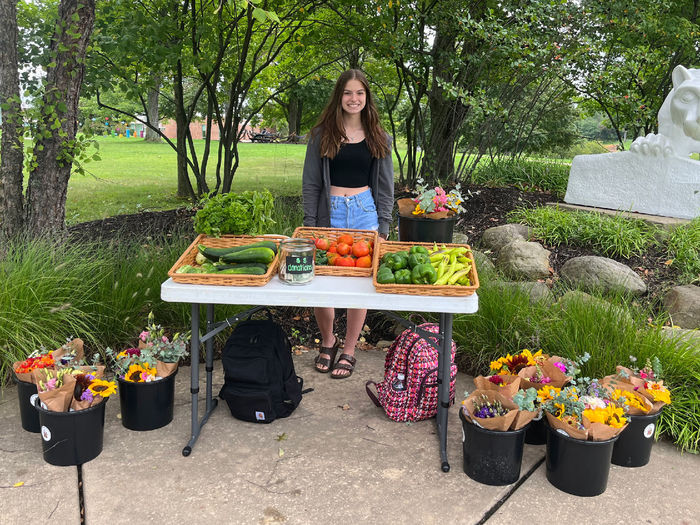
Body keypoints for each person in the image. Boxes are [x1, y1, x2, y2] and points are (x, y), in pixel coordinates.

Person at [302, 69, 394, 379]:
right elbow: (311, 184)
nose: (353, 99)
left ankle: (349, 349)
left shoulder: (379, 137)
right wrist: (310, 225)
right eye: (347, 93)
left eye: (359, 93)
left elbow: (385, 188)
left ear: (367, 98)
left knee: (359, 288)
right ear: (339, 97)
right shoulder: (321, 135)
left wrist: (383, 227)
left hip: (364, 213)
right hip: (331, 213)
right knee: (320, 284)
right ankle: (328, 340)